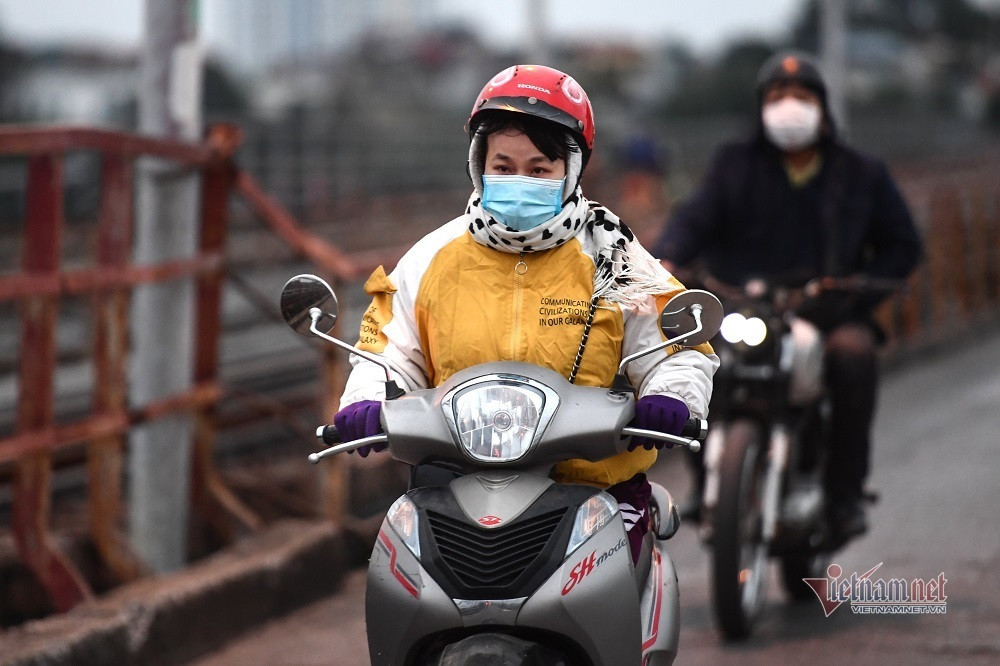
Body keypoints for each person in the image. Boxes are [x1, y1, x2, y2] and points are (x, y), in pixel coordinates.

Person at [334, 64, 719, 564]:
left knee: (615, 587)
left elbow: (675, 348)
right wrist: (365, 399)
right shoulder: (428, 258)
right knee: (400, 579)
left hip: (594, 491)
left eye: (539, 169)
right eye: (503, 165)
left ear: (572, 170)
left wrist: (671, 395)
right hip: (456, 489)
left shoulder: (616, 256)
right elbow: (385, 348)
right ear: (478, 164)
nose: (519, 180)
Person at [653, 51, 923, 545]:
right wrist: (667, 258)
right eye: (778, 96)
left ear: (822, 107)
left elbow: (903, 245)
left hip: (828, 310)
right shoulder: (734, 164)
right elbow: (692, 220)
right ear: (761, 107)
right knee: (693, 356)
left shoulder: (860, 172)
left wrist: (862, 285)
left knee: (853, 355)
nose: (789, 106)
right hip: (742, 304)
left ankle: (843, 496)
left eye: (801, 96)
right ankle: (705, 477)